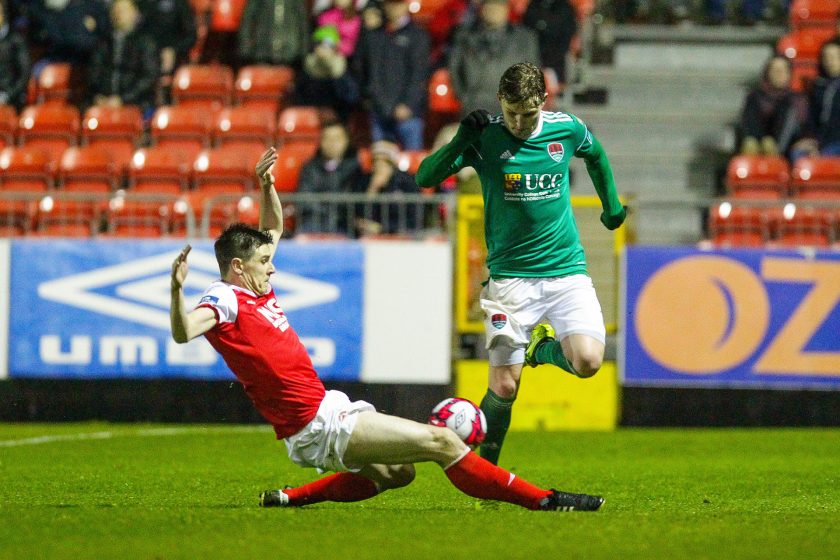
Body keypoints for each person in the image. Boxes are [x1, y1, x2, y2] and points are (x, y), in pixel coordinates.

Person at [168, 145, 604, 511]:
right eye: (264, 262)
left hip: (323, 409)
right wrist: (176, 291)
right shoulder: (225, 298)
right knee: (444, 442)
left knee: (399, 472)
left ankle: (289, 499)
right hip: (316, 423)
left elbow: (272, 228)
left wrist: (267, 187)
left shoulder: (256, 285)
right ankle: (546, 500)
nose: (273, 265)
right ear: (237, 267)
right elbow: (185, 331)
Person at [416, 62, 625, 466]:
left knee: (588, 361)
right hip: (510, 282)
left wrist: (612, 208)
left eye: (527, 114)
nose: (518, 122)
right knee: (505, 386)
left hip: (566, 271)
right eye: (511, 112)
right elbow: (426, 177)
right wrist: (462, 137)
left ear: (543, 103)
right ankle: (486, 471)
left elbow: (596, 155)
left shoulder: (565, 128)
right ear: (500, 102)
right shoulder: (486, 136)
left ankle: (539, 350)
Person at [353, 0, 430, 150]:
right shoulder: (373, 36)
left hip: (409, 114)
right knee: (382, 163)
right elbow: (366, 72)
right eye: (390, 4)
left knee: (411, 165)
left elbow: (419, 75)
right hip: (379, 111)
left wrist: (408, 105)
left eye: (398, 3)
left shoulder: (418, 36)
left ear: (406, 5)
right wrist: (377, 101)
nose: (393, 8)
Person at [448, 0, 541, 118]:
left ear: (507, 10)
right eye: (490, 6)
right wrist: (465, 98)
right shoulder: (464, 36)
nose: (494, 10)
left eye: (499, 6)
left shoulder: (525, 38)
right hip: (475, 106)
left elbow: (532, 72)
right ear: (482, 9)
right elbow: (454, 69)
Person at [87, 0, 159, 115]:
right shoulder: (103, 43)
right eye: (115, 10)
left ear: (134, 13)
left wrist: (122, 99)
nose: (119, 14)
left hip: (136, 104)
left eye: (124, 11)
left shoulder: (145, 42)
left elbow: (149, 77)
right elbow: (94, 72)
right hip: (102, 103)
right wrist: (99, 96)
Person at [296, 120, 364, 234]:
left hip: (343, 225)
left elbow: (351, 200)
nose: (332, 143)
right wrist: (329, 211)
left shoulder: (355, 169)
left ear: (346, 141)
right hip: (313, 222)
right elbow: (305, 199)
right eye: (327, 138)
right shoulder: (309, 168)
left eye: (337, 139)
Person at [738, 55, 807, 159]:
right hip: (759, 145)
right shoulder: (755, 97)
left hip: (790, 147)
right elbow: (750, 124)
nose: (779, 74)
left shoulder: (798, 100)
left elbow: (805, 127)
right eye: (775, 70)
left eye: (783, 70)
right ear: (768, 73)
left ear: (789, 74)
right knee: (754, 144)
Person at [353, 139, 421, 236]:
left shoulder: (407, 182)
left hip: (401, 236)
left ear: (392, 164)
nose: (378, 166)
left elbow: (414, 218)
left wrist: (382, 228)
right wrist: (372, 190)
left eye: (384, 162)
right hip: (368, 236)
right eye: (376, 161)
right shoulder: (364, 181)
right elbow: (357, 214)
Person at [294, 25, 360, 122]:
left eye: (328, 45)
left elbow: (352, 97)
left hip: (339, 119)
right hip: (312, 119)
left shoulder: (343, 69)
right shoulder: (307, 68)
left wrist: (336, 74)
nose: (323, 49)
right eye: (319, 44)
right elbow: (300, 98)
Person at [238, 0, 310, 68]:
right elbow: (248, 20)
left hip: (290, 54)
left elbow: (302, 22)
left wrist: (304, 51)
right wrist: (246, 49)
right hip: (263, 51)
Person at [0, 0, 30, 110]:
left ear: (4, 15)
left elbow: (24, 74)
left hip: (10, 98)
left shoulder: (16, 40)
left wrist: (7, 96)